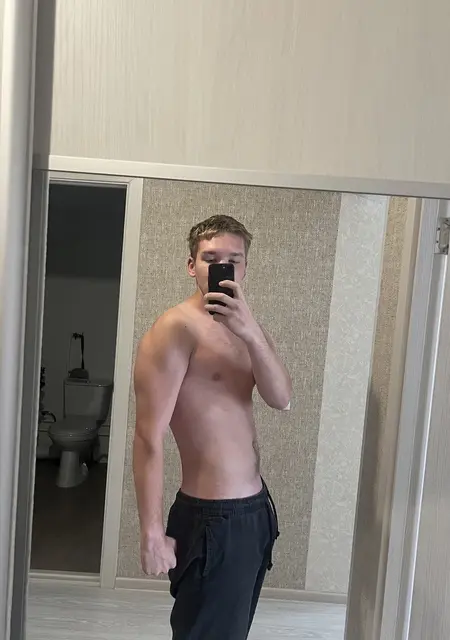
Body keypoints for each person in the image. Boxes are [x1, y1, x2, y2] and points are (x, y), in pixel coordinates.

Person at [133, 214, 292, 639]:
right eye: (210, 258)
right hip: (212, 517)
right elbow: (148, 436)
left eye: (232, 260)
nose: (222, 267)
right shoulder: (175, 329)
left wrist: (251, 333)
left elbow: (281, 399)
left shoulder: (249, 327)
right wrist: (151, 532)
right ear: (192, 266)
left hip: (255, 510)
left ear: (245, 268)